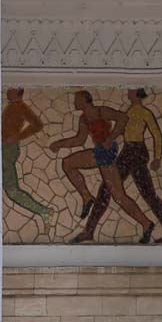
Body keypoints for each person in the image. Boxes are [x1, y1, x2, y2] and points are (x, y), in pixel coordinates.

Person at [49, 89, 153, 243]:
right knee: (69, 164)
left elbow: (123, 118)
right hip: (99, 151)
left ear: (85, 100)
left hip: (106, 152)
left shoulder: (100, 111)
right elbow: (80, 140)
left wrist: (111, 138)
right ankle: (87, 197)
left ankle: (146, 223)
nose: (74, 103)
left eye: (77, 100)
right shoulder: (84, 119)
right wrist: (60, 144)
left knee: (118, 195)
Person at [78, 89, 162, 244]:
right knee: (106, 189)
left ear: (137, 93)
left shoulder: (145, 113)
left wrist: (158, 157)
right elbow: (122, 129)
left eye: (131, 90)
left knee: (148, 195)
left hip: (137, 153)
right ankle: (89, 230)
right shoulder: (129, 111)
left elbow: (157, 134)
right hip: (127, 152)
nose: (128, 92)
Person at [0, 88, 51, 220]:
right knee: (8, 188)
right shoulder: (12, 106)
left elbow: (38, 124)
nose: (8, 91)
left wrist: (17, 137)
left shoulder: (20, 107)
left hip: (7, 149)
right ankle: (43, 211)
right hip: (3, 148)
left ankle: (43, 211)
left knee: (11, 189)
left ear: (18, 92)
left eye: (11, 89)